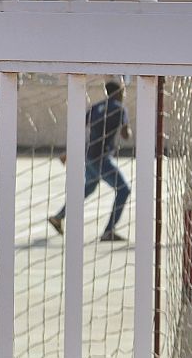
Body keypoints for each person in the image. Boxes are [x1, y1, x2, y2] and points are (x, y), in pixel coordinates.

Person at [49, 79, 132, 243]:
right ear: (119, 93)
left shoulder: (95, 107)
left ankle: (58, 217)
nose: (124, 95)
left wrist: (69, 151)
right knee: (123, 190)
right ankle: (108, 231)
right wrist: (127, 127)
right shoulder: (120, 109)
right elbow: (125, 135)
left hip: (89, 156)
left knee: (88, 188)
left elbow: (79, 128)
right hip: (101, 157)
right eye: (123, 92)